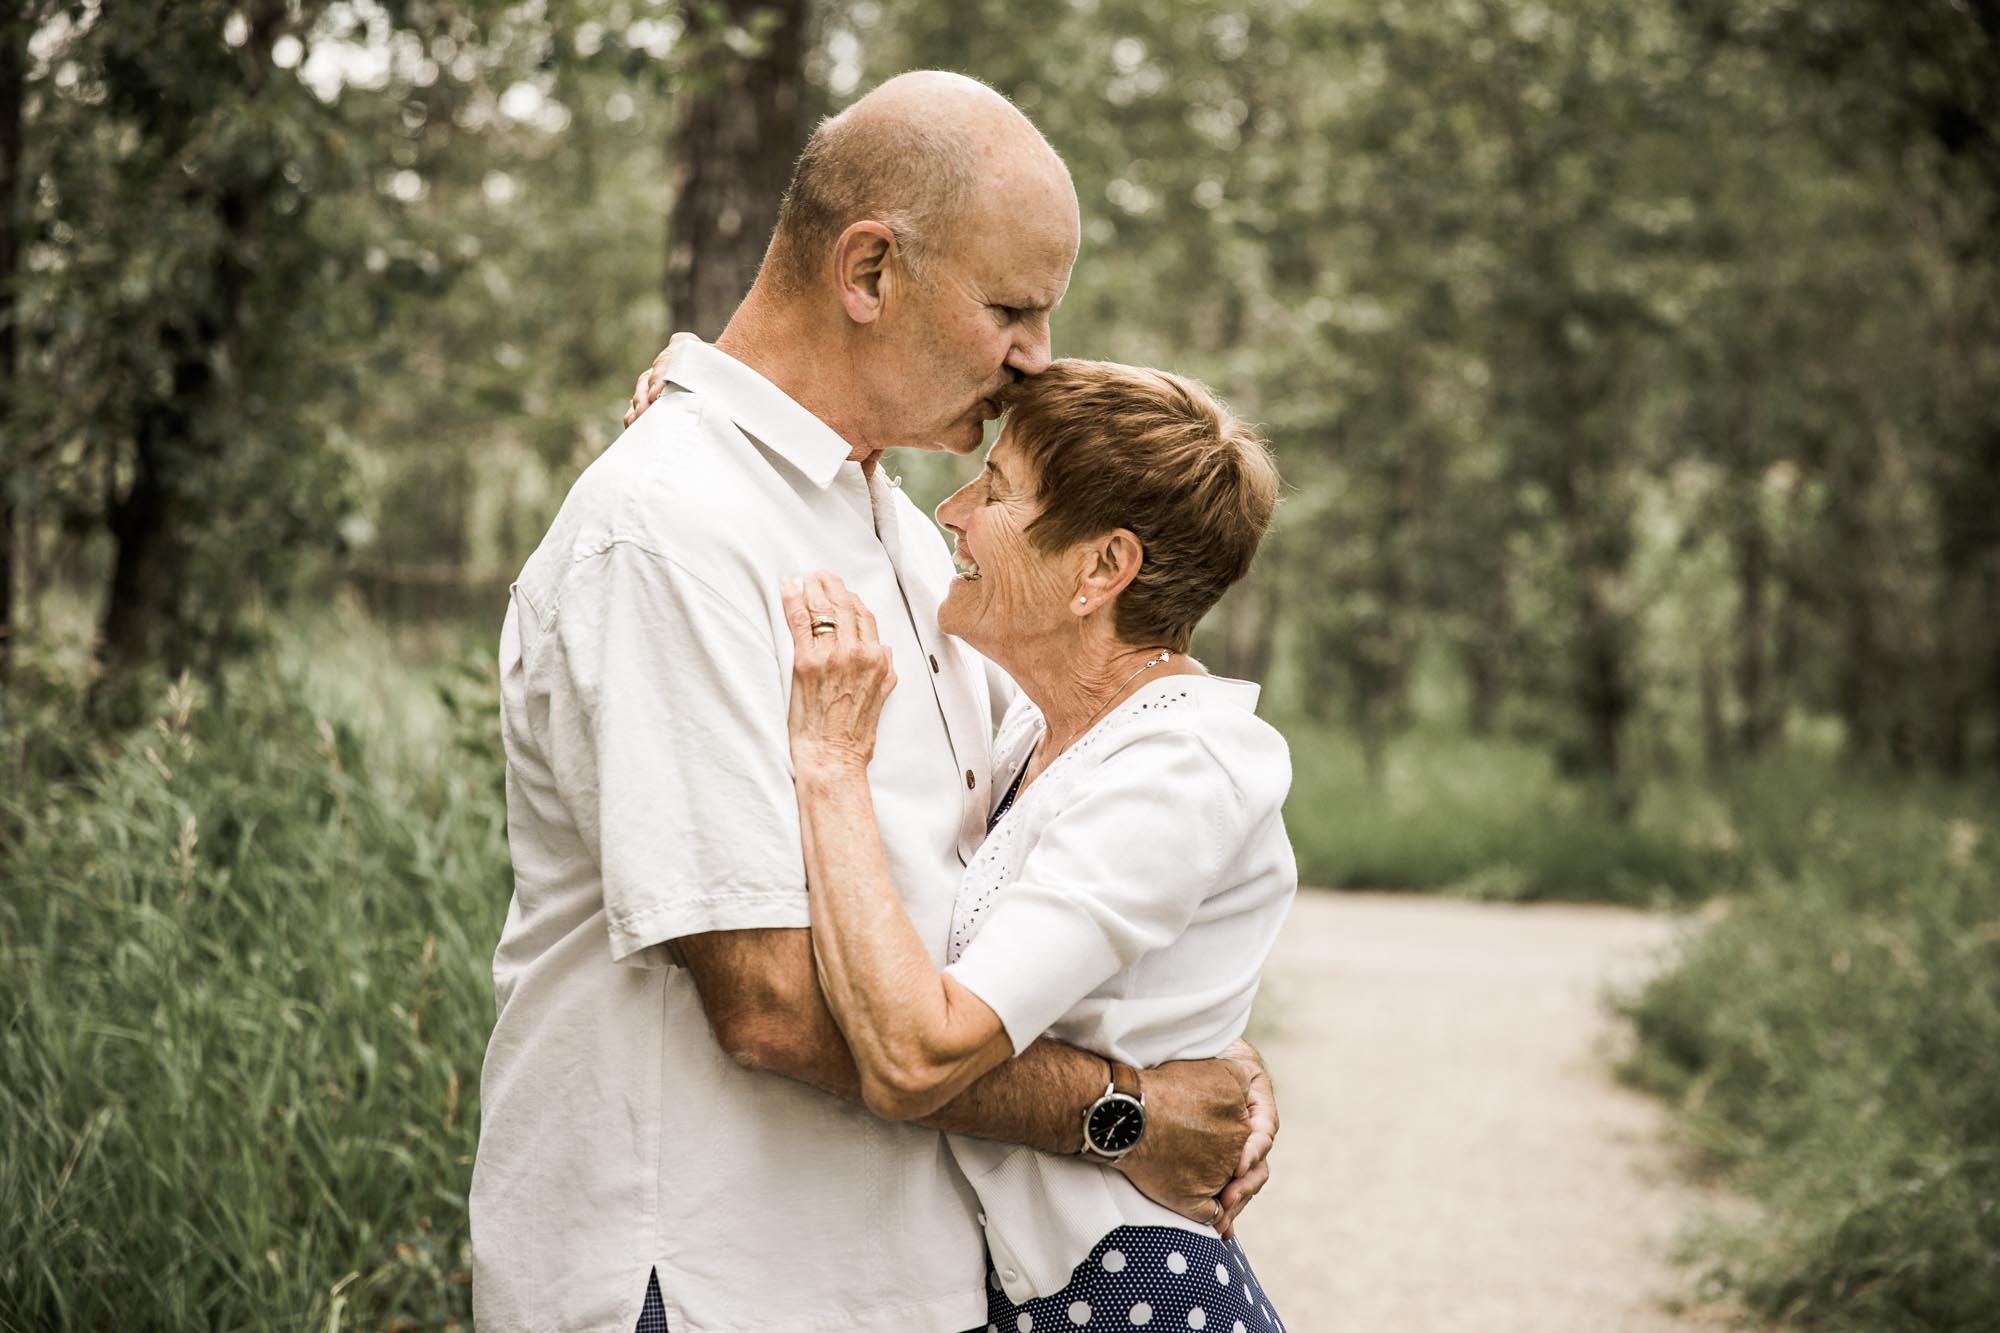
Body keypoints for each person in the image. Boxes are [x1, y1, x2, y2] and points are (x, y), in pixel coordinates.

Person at [470, 71, 1276, 1333]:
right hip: (709, 1277)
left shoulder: (898, 529)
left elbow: (1043, 864)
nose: (1035, 359)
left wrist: (1197, 1052)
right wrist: (1122, 1112)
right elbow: (770, 1005)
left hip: (887, 1282)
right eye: (1011, 307)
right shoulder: (670, 530)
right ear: (868, 273)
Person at [781, 359, 1294, 1331]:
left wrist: (829, 760)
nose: (953, 509)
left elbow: (924, 1051)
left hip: (1120, 1292)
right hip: (1041, 1283)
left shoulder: (1180, 766)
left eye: (998, 489)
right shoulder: (1034, 724)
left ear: (1101, 569)